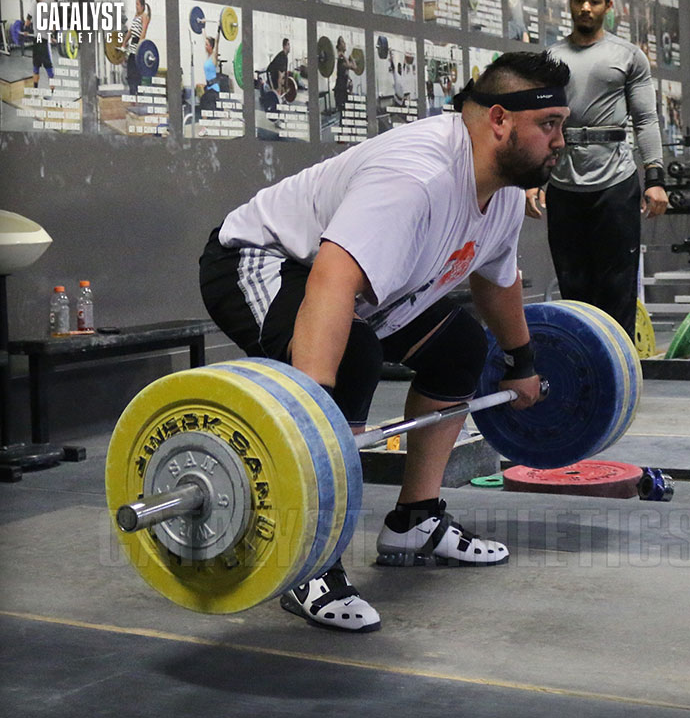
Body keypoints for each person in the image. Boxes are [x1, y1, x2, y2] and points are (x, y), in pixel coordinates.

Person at [199, 50, 570, 633]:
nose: (560, 141)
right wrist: (316, 409)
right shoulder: (416, 175)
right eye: (549, 126)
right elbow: (332, 277)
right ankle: (310, 565)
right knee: (351, 359)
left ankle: (414, 521)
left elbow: (498, 282)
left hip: (372, 285)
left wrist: (521, 362)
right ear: (499, 120)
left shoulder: (501, 194)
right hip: (266, 258)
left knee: (462, 350)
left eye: (562, 126)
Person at [525, 0, 668, 340]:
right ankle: (584, 363)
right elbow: (540, 121)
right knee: (573, 282)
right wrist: (534, 179)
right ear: (570, 4)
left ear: (608, 6)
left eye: (594, 1)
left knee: (617, 284)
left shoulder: (627, 56)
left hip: (615, 181)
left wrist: (655, 177)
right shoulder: (550, 58)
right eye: (579, 0)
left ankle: (619, 368)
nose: (585, 7)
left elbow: (646, 118)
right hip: (564, 181)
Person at [24, 0, 55, 97]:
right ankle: (35, 90)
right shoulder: (34, 4)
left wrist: (53, 35)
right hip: (37, 40)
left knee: (49, 67)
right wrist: (26, 30)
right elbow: (28, 18)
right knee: (35, 66)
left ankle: (52, 93)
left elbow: (53, 23)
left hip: (45, 41)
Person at [121, 0, 150, 96]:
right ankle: (132, 94)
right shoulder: (135, 16)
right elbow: (131, 31)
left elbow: (144, 31)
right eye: (135, 4)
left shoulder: (144, 16)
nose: (136, 7)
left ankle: (139, 95)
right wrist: (124, 43)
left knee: (137, 72)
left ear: (142, 6)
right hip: (133, 44)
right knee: (130, 70)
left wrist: (140, 46)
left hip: (139, 44)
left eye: (137, 4)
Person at [199, 20, 221, 114]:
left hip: (214, 88)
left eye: (207, 45)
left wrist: (219, 29)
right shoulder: (207, 56)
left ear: (211, 47)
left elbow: (217, 42)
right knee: (205, 105)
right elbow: (205, 37)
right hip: (208, 87)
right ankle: (206, 126)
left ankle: (205, 126)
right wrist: (202, 25)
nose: (205, 46)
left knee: (204, 101)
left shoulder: (213, 57)